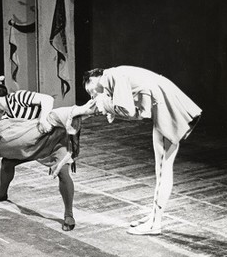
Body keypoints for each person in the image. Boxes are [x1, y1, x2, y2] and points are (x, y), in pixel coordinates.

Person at [83, 65, 202, 235]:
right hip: (164, 105)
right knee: (161, 170)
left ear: (93, 79)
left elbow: (130, 111)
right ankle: (154, 217)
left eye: (90, 91)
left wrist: (107, 106)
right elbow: (137, 113)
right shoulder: (116, 75)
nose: (93, 95)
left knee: (163, 170)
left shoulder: (112, 76)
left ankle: (155, 223)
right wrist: (110, 107)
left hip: (166, 107)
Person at [0, 76, 83, 231]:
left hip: (53, 139)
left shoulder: (18, 97)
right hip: (32, 144)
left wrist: (43, 119)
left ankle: (69, 214)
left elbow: (46, 99)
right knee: (7, 162)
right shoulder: (4, 115)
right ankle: (1, 193)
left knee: (63, 172)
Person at [0, 103, 93, 177]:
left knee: (45, 129)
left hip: (6, 137)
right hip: (5, 140)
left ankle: (84, 112)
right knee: (48, 122)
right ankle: (87, 110)